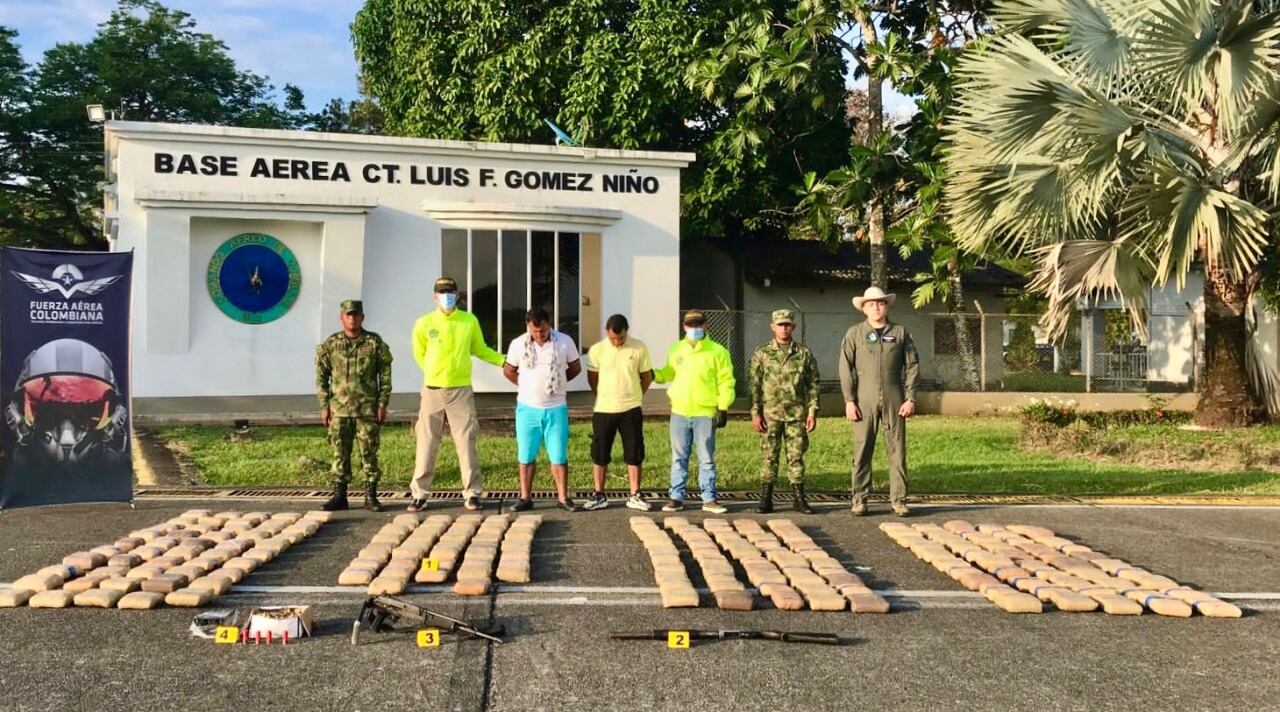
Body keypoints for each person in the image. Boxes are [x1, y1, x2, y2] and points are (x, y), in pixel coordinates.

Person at [407, 277, 506, 512]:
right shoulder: (424, 323)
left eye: (450, 292)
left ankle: (472, 493)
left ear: (458, 295)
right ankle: (419, 494)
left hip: (460, 390)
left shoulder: (468, 321)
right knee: (427, 441)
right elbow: (419, 354)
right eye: (442, 292)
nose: (447, 296)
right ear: (435, 296)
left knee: (466, 441)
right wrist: (434, 373)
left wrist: (504, 362)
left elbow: (480, 349)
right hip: (432, 390)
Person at [838, 286, 920, 516]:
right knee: (863, 449)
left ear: (887, 306)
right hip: (864, 399)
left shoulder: (901, 332)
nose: (876, 307)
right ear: (864, 308)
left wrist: (910, 397)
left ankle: (899, 500)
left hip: (895, 397)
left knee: (897, 450)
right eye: (871, 304)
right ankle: (860, 499)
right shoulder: (854, 334)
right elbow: (845, 368)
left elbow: (912, 366)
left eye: (880, 303)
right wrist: (849, 400)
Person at [653, 310, 735, 514]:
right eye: (691, 325)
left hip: (705, 413)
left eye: (699, 325)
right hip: (679, 411)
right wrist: (653, 374)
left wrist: (723, 407)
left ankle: (709, 498)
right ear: (684, 327)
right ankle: (676, 497)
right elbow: (668, 372)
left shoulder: (718, 352)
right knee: (678, 457)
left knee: (706, 457)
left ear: (706, 326)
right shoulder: (676, 349)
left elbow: (726, 381)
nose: (695, 329)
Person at [315, 300, 393, 512]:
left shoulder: (374, 343)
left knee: (369, 453)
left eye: (356, 315)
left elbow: (385, 374)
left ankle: (371, 496)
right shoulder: (331, 344)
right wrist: (324, 405)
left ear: (362, 317)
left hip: (366, 409)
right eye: (348, 315)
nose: (352, 318)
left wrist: (383, 403)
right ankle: (340, 497)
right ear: (342, 317)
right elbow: (321, 376)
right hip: (339, 410)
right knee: (339, 453)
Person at [503, 308, 581, 511]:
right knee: (526, 455)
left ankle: (563, 498)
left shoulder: (564, 341)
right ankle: (525, 497)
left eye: (543, 331)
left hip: (556, 408)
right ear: (528, 327)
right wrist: (527, 385)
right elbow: (509, 370)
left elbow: (575, 368)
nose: (539, 335)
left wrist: (558, 383)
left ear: (550, 325)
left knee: (558, 455)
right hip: (527, 409)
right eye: (535, 331)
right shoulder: (518, 344)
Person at [749, 308, 820, 514]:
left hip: (796, 415)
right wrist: (755, 412)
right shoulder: (762, 353)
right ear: (773, 327)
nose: (784, 328)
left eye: (788, 324)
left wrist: (812, 412)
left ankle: (799, 498)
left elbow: (813, 384)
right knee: (769, 456)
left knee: (796, 456)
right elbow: (754, 385)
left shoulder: (803, 353)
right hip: (770, 415)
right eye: (780, 325)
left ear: (793, 327)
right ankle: (766, 498)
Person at [582, 314, 654, 512]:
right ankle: (599, 494)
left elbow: (646, 377)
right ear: (607, 332)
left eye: (620, 338)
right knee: (600, 452)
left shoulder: (639, 348)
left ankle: (635, 494)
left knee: (634, 452)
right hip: (604, 409)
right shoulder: (597, 350)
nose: (617, 342)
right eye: (613, 338)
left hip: (631, 408)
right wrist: (603, 396)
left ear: (626, 331)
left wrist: (635, 393)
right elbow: (592, 379)